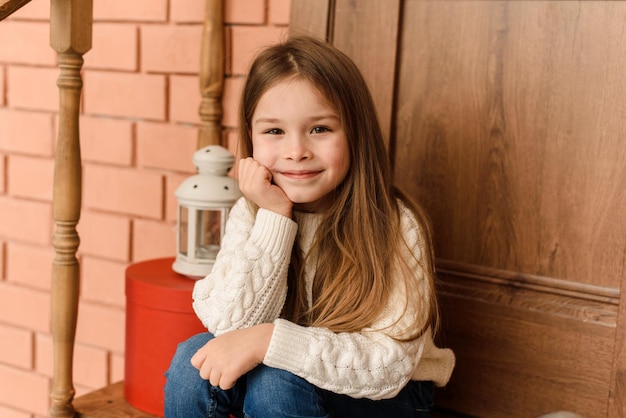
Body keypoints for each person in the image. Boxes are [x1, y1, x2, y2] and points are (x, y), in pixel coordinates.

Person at [164, 35, 455, 418]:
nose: (296, 150)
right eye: (274, 131)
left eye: (319, 129)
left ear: (355, 133)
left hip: (388, 396)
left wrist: (270, 340)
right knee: (191, 362)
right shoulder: (252, 212)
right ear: (250, 136)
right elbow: (229, 327)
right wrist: (274, 218)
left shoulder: (395, 224)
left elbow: (390, 365)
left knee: (273, 381)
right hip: (289, 380)